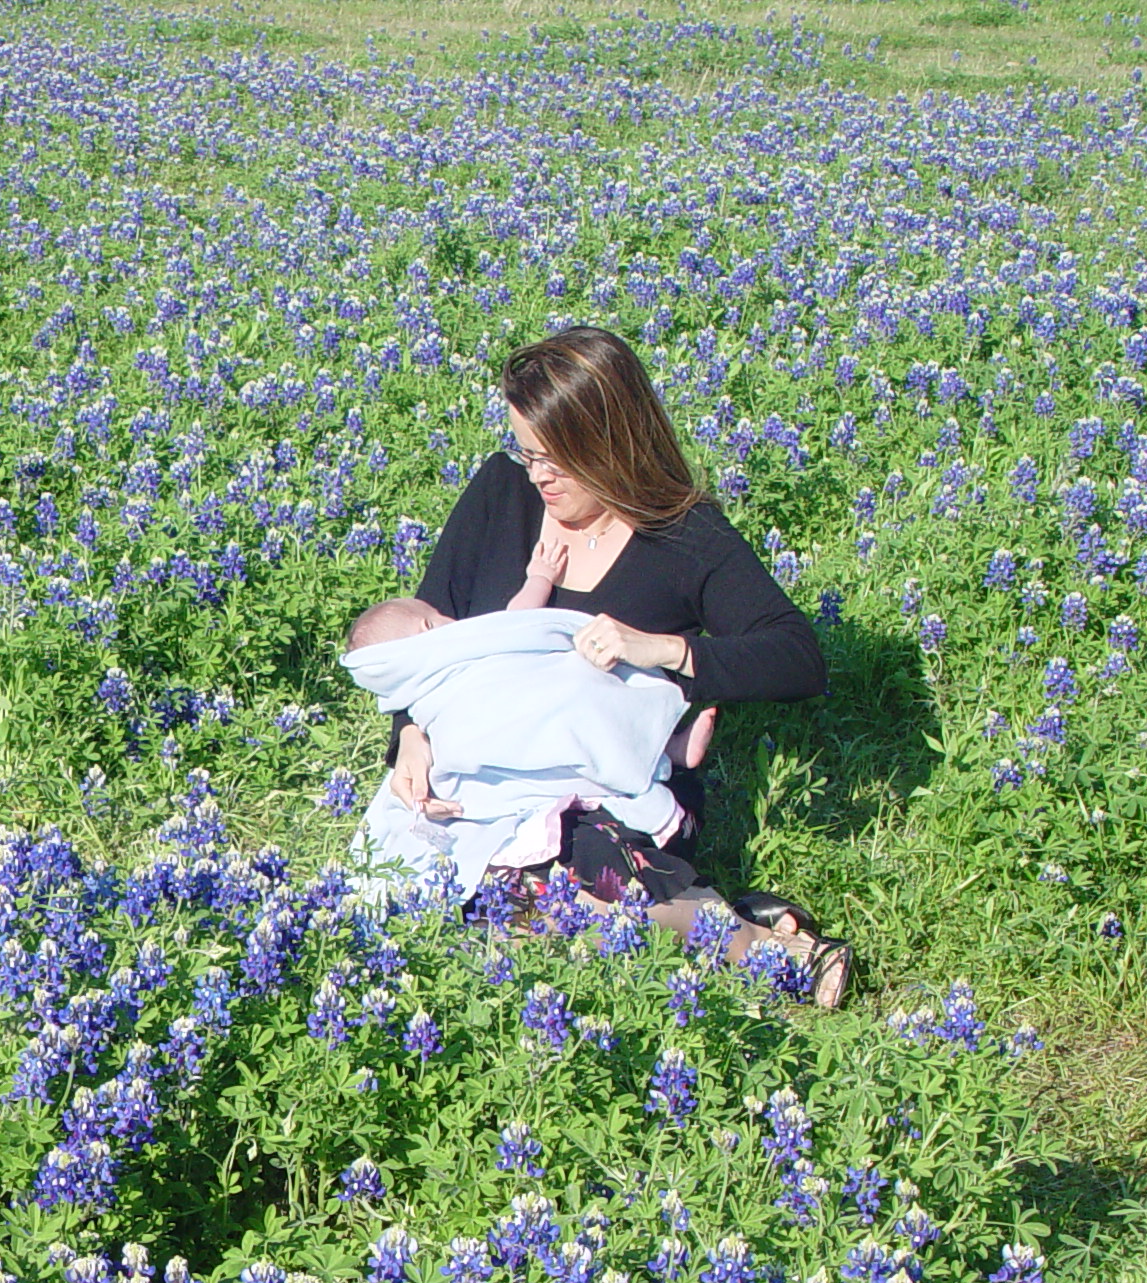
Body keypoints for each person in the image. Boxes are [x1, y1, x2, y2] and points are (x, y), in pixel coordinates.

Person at [375, 324, 844, 1002]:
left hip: (614, 796)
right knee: (445, 906)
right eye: (527, 453)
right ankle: (718, 920)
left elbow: (798, 658)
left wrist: (664, 650)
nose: (539, 476)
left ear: (611, 440)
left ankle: (770, 951)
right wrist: (410, 736)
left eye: (558, 459)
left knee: (558, 901)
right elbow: (427, 641)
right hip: (485, 785)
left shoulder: (684, 537)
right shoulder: (500, 497)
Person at [343, 596, 690, 903]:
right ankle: (659, 747)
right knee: (573, 709)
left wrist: (539, 578)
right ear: (427, 626)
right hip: (484, 730)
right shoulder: (433, 679)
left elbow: (515, 624)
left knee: (572, 693)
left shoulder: (447, 660)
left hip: (527, 694)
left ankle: (661, 748)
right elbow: (519, 618)